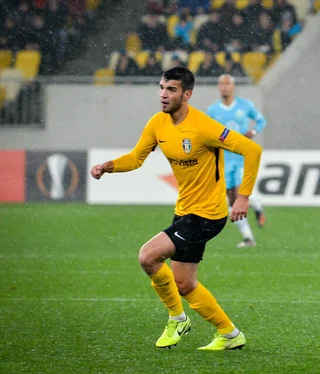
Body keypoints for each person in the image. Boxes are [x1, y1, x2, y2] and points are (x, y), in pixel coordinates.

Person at [90, 67, 262, 351]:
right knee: (183, 283)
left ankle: (177, 318)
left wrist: (243, 197)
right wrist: (109, 166)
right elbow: (136, 157)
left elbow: (251, 150)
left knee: (148, 257)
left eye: (171, 89)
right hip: (185, 211)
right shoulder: (158, 123)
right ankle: (230, 334)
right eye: (161, 87)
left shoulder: (204, 126)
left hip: (207, 214)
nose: (163, 94)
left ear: (187, 95)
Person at [207, 74, 267, 247]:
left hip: (241, 158)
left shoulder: (244, 105)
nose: (224, 87)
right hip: (223, 160)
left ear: (233, 87)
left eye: (227, 84)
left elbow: (261, 120)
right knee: (232, 201)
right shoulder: (212, 111)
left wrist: (253, 132)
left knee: (240, 195)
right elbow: (206, 131)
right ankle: (249, 234)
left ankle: (250, 231)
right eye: (221, 84)